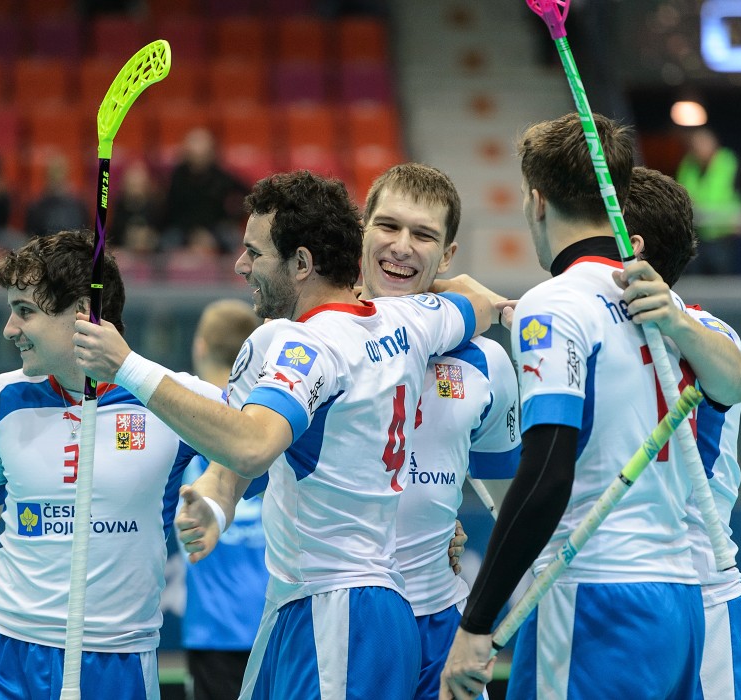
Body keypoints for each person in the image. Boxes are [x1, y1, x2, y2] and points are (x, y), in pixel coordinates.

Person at [72, 170, 495, 700]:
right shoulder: (410, 319)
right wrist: (217, 502)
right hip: (316, 601)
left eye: (255, 252)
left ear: (301, 264)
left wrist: (127, 366)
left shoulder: (306, 345)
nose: (240, 265)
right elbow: (477, 302)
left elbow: (252, 444)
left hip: (338, 609)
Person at [439, 112, 741, 700]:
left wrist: (477, 622)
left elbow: (546, 476)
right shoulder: (659, 309)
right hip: (682, 598)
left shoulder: (558, 302)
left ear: (537, 202)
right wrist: (508, 312)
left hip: (593, 593)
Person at [0, 230, 222, 700]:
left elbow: (253, 446)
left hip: (117, 660)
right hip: (5, 657)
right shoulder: (2, 398)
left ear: (84, 313)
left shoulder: (169, 396)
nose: (9, 329)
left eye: (25, 311)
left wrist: (216, 492)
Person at [358, 163, 519, 700]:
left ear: (447, 254)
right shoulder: (313, 337)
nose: (401, 247)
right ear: (362, 230)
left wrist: (438, 519)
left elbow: (508, 503)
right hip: (342, 619)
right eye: (388, 226)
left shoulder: (488, 363)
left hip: (442, 623)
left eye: (423, 235)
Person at [624, 166, 741, 699]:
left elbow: (737, 381)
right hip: (622, 589)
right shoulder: (586, 325)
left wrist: (675, 323)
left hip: (705, 593)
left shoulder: (702, 328)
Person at [181, 298, 267, 700]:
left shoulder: (184, 422)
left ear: (200, 347)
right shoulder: (271, 421)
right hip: (274, 624)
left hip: (214, 633)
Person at [162, 128, 248, 255]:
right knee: (166, 242)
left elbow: (248, 194)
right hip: (182, 229)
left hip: (216, 228)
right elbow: (169, 211)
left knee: (235, 241)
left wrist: (233, 218)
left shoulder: (222, 176)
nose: (199, 153)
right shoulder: (176, 177)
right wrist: (193, 234)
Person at [675, 127, 741, 275]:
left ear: (713, 144)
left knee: (721, 278)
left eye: (703, 144)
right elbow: (682, 192)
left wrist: (740, 214)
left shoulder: (728, 162)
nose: (699, 149)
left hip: (722, 233)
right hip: (695, 234)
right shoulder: (688, 164)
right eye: (695, 145)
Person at [24, 155, 89, 239]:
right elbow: (31, 237)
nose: (57, 177)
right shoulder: (36, 207)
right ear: (46, 176)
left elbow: (85, 235)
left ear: (67, 175)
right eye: (53, 173)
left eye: (60, 172)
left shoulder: (79, 207)